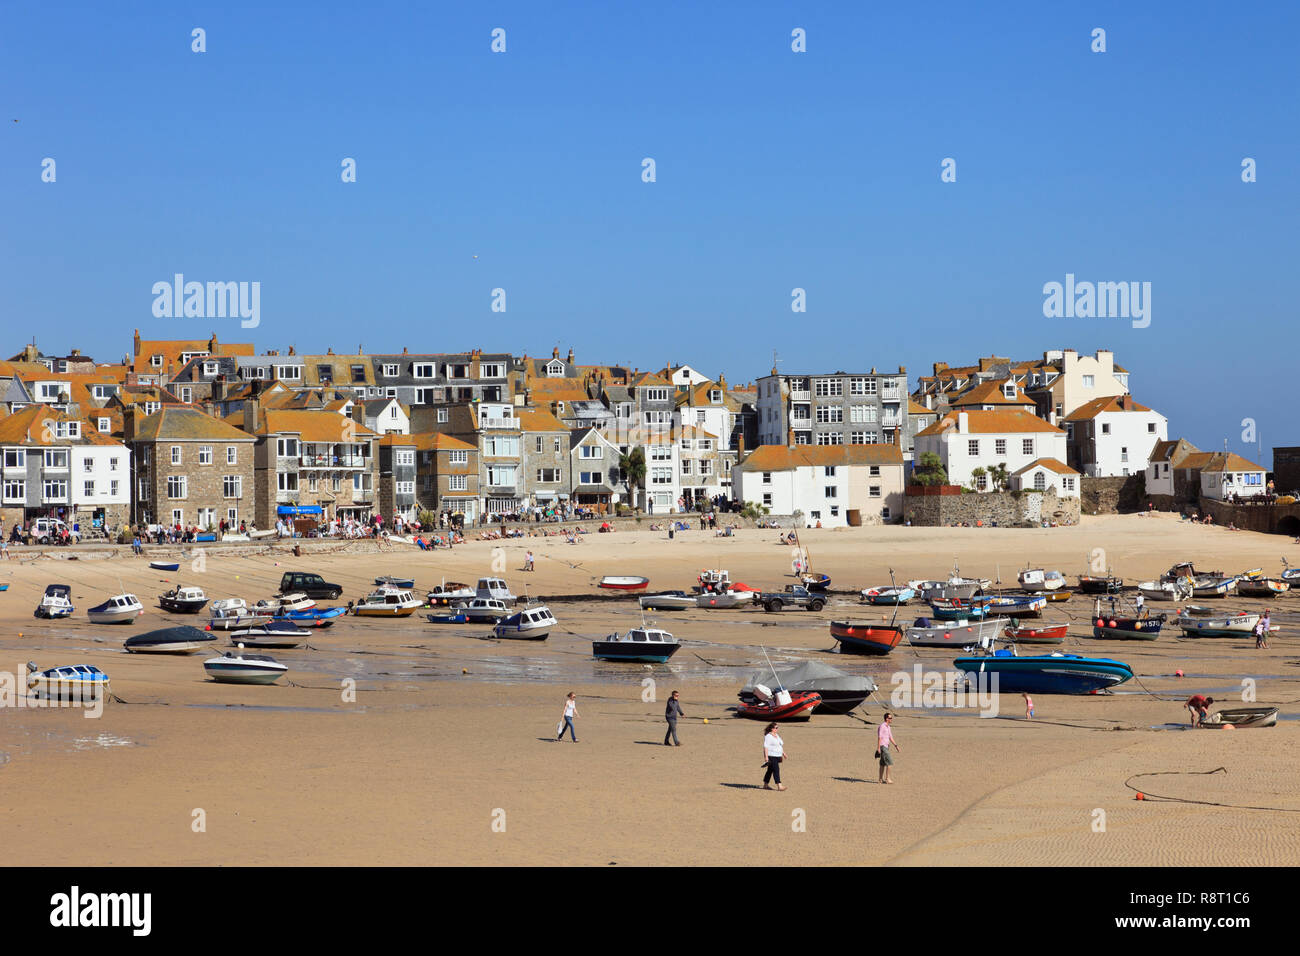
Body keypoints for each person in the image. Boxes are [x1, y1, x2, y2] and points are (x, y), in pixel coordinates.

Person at [761, 722, 785, 791]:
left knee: (770, 770)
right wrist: (766, 757)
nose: (777, 729)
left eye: (777, 728)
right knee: (776, 769)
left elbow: (779, 745)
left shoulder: (777, 735)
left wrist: (783, 753)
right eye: (776, 728)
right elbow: (765, 747)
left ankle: (765, 785)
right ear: (772, 729)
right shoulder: (768, 736)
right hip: (771, 755)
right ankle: (779, 786)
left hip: (777, 755)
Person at [877, 712, 899, 784]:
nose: (891, 719)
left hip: (886, 746)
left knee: (882, 764)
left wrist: (896, 745)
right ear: (886, 719)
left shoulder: (888, 727)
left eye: (891, 718)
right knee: (889, 763)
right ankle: (887, 779)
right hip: (883, 747)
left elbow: (890, 737)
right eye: (890, 718)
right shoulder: (882, 726)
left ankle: (880, 779)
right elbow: (879, 737)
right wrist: (878, 748)